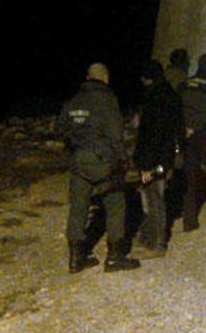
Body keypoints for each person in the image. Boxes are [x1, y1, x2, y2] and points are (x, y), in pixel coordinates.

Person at [56, 63, 140, 273]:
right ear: (105, 78)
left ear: (87, 77)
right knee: (116, 204)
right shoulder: (107, 100)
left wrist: (76, 147)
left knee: (78, 207)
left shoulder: (74, 99)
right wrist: (123, 161)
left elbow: (61, 129)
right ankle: (114, 258)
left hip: (79, 161)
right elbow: (115, 134)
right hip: (103, 162)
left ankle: (76, 260)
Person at [132, 59, 182, 259]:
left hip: (155, 160)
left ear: (148, 78)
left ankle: (157, 243)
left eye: (143, 78)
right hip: (166, 157)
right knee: (154, 199)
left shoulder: (155, 99)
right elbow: (177, 129)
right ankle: (147, 236)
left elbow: (152, 136)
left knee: (154, 200)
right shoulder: (172, 95)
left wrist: (146, 166)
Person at [179, 53, 206, 232]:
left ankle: (189, 221)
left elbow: (178, 107)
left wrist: (185, 127)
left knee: (190, 178)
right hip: (205, 138)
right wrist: (195, 127)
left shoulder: (186, 83)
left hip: (188, 137)